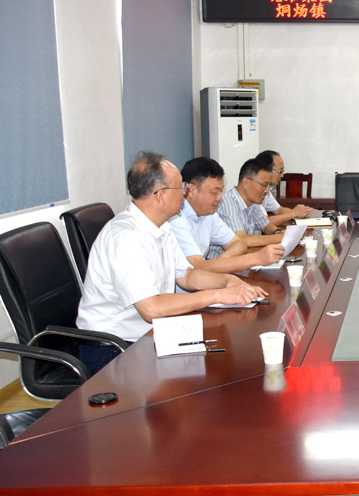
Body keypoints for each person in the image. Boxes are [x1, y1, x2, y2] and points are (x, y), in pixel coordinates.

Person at [76, 152, 267, 374]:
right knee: (207, 375)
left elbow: (186, 276)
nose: (185, 193)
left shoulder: (162, 226)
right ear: (160, 195)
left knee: (222, 359)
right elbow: (151, 308)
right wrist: (218, 295)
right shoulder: (125, 237)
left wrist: (227, 281)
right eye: (180, 187)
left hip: (149, 335)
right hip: (114, 349)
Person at [169, 157, 284, 271]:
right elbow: (197, 267)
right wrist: (257, 258)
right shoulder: (175, 218)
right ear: (191, 190)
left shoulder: (208, 213)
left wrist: (220, 263)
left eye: (221, 191)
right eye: (215, 192)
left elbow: (239, 244)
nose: (220, 198)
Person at [216, 158, 284, 248]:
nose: (267, 191)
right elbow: (242, 239)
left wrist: (277, 232)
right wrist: (280, 237)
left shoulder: (254, 202)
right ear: (246, 182)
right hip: (225, 256)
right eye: (264, 185)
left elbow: (266, 226)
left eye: (268, 186)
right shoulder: (227, 203)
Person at [256, 150, 314, 226]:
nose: (282, 175)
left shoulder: (266, 189)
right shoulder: (255, 191)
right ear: (266, 170)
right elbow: (264, 223)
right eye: (280, 171)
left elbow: (279, 210)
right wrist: (293, 213)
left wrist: (299, 213)